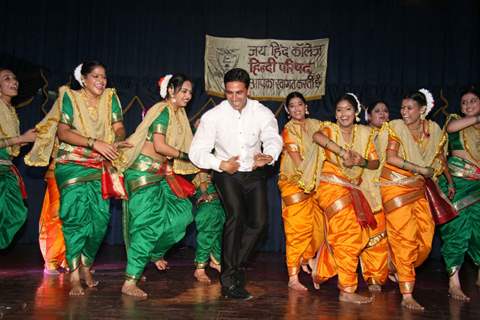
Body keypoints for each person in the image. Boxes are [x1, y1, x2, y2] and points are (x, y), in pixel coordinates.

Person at [25, 61, 129, 296]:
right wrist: (95, 142)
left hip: (99, 163)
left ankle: (86, 263)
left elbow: (119, 126)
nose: (101, 81)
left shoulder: (111, 98)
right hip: (71, 163)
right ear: (83, 79)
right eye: (95, 76)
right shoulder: (69, 97)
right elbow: (63, 132)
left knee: (100, 221)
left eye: (104, 76)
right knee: (74, 218)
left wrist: (117, 138)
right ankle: (73, 273)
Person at [189, 68, 283, 300]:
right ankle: (229, 280)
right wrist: (220, 164)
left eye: (239, 93)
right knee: (236, 216)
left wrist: (269, 155)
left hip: (253, 172)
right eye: (229, 93)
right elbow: (196, 151)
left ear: (247, 90)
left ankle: (234, 265)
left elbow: (273, 137)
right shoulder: (213, 116)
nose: (234, 98)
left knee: (259, 223)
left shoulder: (261, 112)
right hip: (227, 173)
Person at [116, 74, 198, 298]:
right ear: (171, 90)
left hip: (160, 175)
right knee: (147, 227)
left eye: (190, 92)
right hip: (142, 174)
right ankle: (129, 282)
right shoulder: (163, 111)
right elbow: (161, 146)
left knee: (182, 213)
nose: (188, 96)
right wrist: (188, 156)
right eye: (183, 91)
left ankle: (153, 254)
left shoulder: (177, 114)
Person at [379, 89, 450, 310]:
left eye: (409, 108)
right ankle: (407, 293)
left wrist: (445, 182)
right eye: (402, 108)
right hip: (395, 187)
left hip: (419, 188)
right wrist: (419, 168)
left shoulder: (434, 130)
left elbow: (438, 160)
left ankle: (394, 265)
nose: (404, 112)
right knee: (404, 238)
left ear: (422, 110)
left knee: (426, 241)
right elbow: (391, 157)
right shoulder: (396, 128)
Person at [306, 93, 379, 304]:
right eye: (339, 110)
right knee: (349, 232)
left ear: (356, 113)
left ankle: (321, 268)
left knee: (358, 234)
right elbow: (317, 137)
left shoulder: (365, 133)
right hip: (331, 186)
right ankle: (347, 289)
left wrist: (361, 161)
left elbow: (374, 163)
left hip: (354, 188)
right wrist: (342, 153)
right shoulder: (331, 130)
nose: (343, 113)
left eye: (348, 109)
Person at [278, 91, 324, 291]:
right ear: (288, 111)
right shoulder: (288, 129)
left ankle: (307, 257)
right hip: (295, 182)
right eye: (292, 106)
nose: (297, 108)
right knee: (296, 230)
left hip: (316, 183)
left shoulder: (318, 126)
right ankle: (293, 276)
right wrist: (311, 179)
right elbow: (298, 162)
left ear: (306, 107)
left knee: (318, 228)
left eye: (300, 104)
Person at [438, 87, 480, 301]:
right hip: (458, 183)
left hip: (479, 186)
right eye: (465, 102)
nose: (469, 105)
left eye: (473, 100)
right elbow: (451, 128)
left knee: (478, 232)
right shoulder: (456, 121)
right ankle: (453, 283)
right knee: (456, 232)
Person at [0, 68, 36, 249]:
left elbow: (8, 143)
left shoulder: (11, 110)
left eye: (15, 78)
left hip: (7, 169)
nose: (14, 81)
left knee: (16, 213)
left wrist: (26, 140)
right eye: (7, 79)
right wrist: (22, 139)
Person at [358, 101, 390, 291]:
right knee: (356, 235)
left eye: (386, 111)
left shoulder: (394, 132)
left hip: (384, 188)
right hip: (360, 187)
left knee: (379, 235)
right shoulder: (359, 132)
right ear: (368, 115)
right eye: (377, 111)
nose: (382, 114)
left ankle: (375, 277)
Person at [192, 168, 225, 283]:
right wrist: (206, 194)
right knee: (208, 230)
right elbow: (202, 178)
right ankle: (200, 268)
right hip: (207, 194)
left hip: (221, 196)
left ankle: (216, 261)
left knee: (220, 229)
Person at [38, 160, 67, 274]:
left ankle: (70, 260)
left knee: (77, 216)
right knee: (57, 216)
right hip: (59, 169)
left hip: (82, 171)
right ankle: (51, 260)